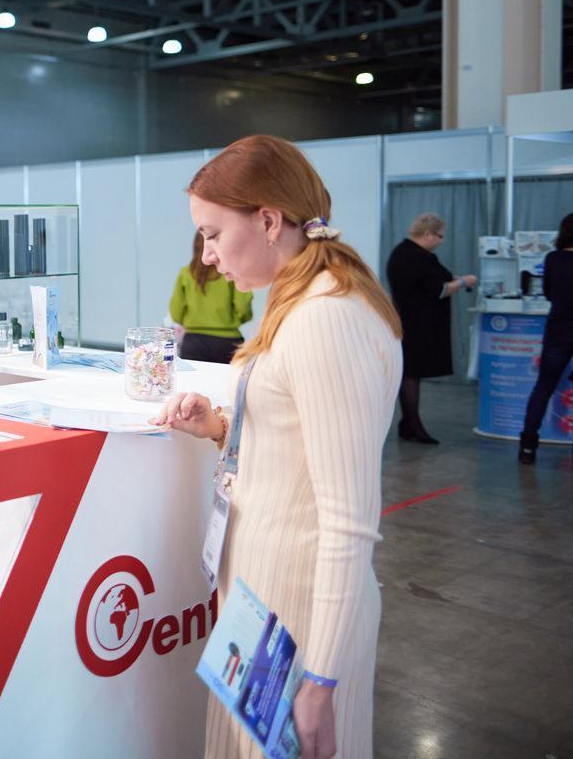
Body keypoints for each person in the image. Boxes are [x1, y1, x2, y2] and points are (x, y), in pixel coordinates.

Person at [151, 135, 401, 759]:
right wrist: (221, 425)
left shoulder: (325, 316)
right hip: (265, 605)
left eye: (212, 234)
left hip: (299, 616)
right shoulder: (297, 302)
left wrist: (321, 679)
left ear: (268, 221)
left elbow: (348, 521)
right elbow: (297, 435)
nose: (207, 256)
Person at [385, 213, 477, 445]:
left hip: (411, 322)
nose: (441, 241)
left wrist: (457, 279)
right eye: (440, 236)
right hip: (416, 324)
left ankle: (408, 423)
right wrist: (464, 282)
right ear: (427, 234)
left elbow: (441, 277)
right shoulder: (415, 257)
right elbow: (439, 289)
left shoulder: (409, 254)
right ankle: (412, 424)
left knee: (411, 372)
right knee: (411, 373)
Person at [518, 212, 573, 464]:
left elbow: (549, 293)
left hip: (558, 331)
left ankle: (528, 447)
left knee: (543, 388)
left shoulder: (553, 258)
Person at [169, 231, 254, 363]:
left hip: (193, 342)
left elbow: (176, 313)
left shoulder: (185, 274)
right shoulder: (230, 273)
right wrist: (233, 319)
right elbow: (242, 306)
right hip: (228, 343)